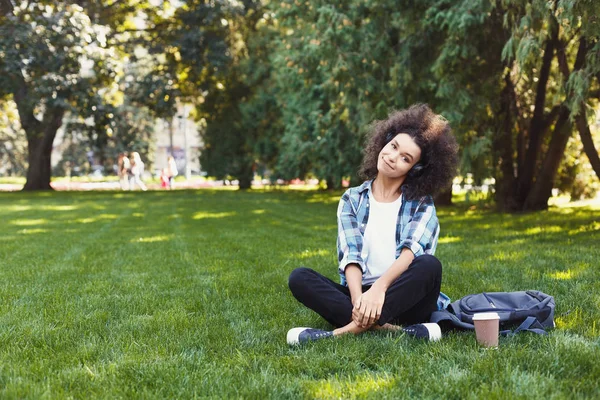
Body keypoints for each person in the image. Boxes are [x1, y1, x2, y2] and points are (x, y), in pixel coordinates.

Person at [287, 104, 459, 345]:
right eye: (393, 146)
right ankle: (391, 329)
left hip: (405, 298)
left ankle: (341, 332)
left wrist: (379, 290)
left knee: (429, 265)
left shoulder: (421, 204)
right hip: (361, 294)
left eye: (405, 158)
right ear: (385, 142)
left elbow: (410, 254)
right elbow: (351, 254)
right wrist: (359, 300)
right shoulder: (352, 199)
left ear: (415, 169)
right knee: (299, 277)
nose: (392, 157)